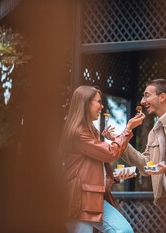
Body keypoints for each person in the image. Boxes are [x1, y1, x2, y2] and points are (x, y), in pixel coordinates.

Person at [103, 79, 166, 233]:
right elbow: (145, 166)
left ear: (162, 97)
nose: (143, 101)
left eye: (147, 96)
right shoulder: (154, 132)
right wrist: (119, 140)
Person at [61, 85, 145, 233]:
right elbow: (110, 153)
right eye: (98, 102)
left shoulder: (91, 131)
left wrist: (116, 176)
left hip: (91, 198)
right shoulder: (78, 133)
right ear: (86, 103)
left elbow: (91, 168)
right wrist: (128, 129)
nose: (102, 106)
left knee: (124, 230)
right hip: (80, 200)